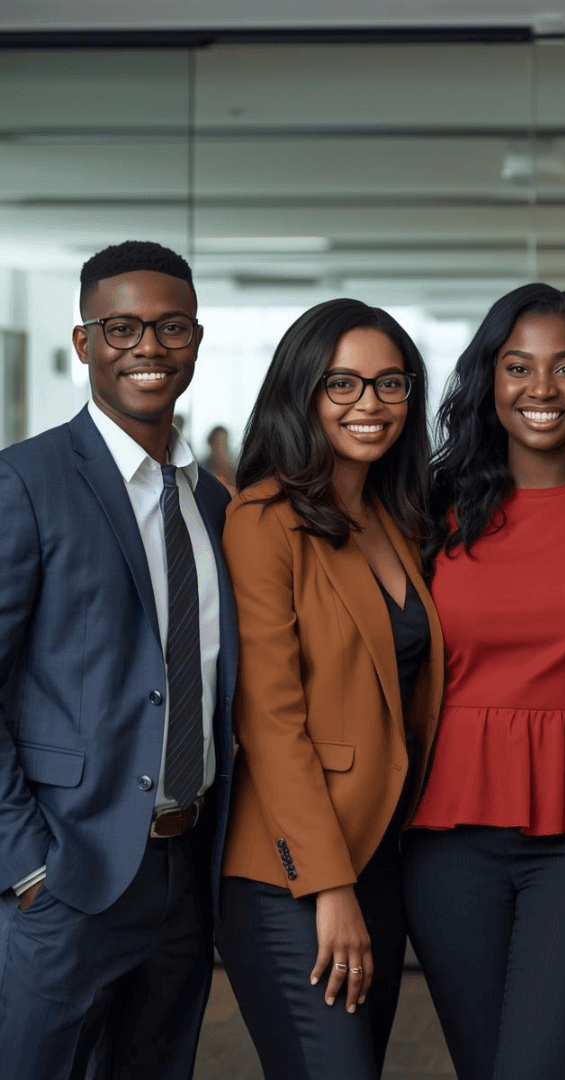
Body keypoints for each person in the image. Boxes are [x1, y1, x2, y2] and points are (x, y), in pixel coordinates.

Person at [400, 283, 565, 1079]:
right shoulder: (429, 508)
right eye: (518, 367)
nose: (541, 390)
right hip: (446, 833)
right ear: (489, 379)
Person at [0, 240, 237, 1078]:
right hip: (69, 872)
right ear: (84, 342)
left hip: (185, 868)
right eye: (123, 327)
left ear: (196, 340)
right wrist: (26, 863)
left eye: (170, 326)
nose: (148, 346)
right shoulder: (25, 483)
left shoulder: (213, 500)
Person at [214, 298, 444, 1080]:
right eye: (342, 384)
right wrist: (328, 887)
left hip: (381, 855)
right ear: (302, 391)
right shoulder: (264, 519)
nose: (369, 404)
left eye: (389, 383)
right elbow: (270, 722)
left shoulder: (397, 515)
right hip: (293, 874)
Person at [201, 424, 237, 491]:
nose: (220, 448)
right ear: (211, 444)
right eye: (218, 443)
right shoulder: (204, 468)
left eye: (224, 443)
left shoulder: (233, 468)